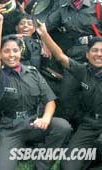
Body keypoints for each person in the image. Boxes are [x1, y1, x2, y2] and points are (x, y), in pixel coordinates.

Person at [0, 1, 72, 170]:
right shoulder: (0, 75)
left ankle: (41, 164)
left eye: (15, 51)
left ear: (21, 52)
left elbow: (50, 100)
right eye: (7, 51)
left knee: (62, 126)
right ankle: (24, 148)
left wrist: (46, 119)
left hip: (34, 123)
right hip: (11, 128)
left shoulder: (32, 72)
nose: (11, 55)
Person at [37, 21, 102, 170]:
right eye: (95, 50)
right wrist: (44, 34)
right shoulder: (83, 71)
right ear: (87, 54)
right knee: (67, 166)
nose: (99, 54)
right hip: (89, 125)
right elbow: (60, 56)